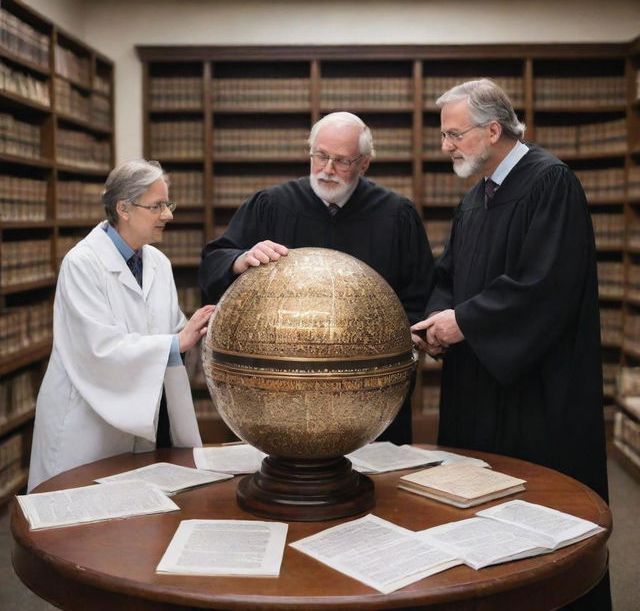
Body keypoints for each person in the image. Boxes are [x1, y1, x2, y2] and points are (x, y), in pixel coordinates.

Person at [411, 79, 610, 610]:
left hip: (534, 386)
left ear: (492, 129)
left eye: (454, 134)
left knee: (537, 518)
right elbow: (448, 273)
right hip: (478, 379)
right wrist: (436, 319)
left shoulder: (550, 182)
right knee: (474, 510)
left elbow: (545, 284)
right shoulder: (478, 196)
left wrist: (467, 322)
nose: (446, 146)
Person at [199, 111, 434, 445]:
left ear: (364, 164)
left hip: (368, 388)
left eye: (341, 161)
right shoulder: (271, 204)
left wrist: (396, 348)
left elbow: (418, 293)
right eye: (320, 156)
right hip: (282, 386)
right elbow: (213, 261)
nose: (327, 169)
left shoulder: (396, 214)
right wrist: (240, 259)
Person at [28, 160, 214, 492]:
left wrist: (198, 332)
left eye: (168, 204)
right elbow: (99, 348)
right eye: (157, 206)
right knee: (79, 532)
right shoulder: (82, 264)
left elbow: (169, 331)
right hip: (86, 423)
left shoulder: (158, 262)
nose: (168, 215)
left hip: (140, 420)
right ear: (123, 209)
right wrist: (174, 344)